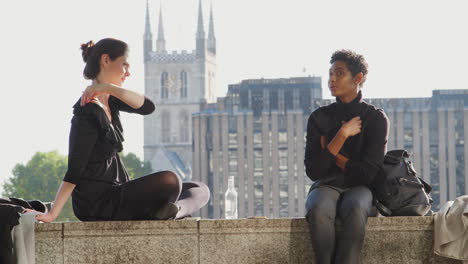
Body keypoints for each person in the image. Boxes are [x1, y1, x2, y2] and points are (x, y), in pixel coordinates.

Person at [34, 38, 210, 222]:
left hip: (119, 193)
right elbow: (75, 169)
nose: (128, 73)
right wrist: (53, 213)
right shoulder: (86, 112)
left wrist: (107, 87)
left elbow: (148, 107)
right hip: (98, 203)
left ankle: (171, 212)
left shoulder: (110, 100)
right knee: (171, 180)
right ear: (106, 60)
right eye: (124, 65)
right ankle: (166, 212)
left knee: (199, 189)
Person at [304, 50, 389, 264]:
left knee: (356, 207)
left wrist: (332, 152)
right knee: (319, 207)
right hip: (326, 185)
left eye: (339, 73)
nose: (332, 79)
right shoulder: (318, 117)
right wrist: (341, 136)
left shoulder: (375, 118)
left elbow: (367, 174)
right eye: (330, 73)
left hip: (361, 188)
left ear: (357, 78)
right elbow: (314, 171)